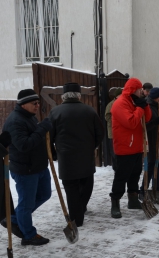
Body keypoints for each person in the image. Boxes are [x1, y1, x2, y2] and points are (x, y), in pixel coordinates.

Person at [49, 83, 104, 227]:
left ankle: (76, 217)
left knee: (71, 187)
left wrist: (54, 153)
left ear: (63, 96)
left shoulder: (55, 112)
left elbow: (48, 136)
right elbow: (100, 133)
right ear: (79, 96)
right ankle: (80, 208)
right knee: (86, 184)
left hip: (66, 158)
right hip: (86, 156)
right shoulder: (89, 111)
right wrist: (92, 146)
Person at [2, 89, 52, 245]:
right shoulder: (15, 121)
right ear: (23, 105)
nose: (37, 106)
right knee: (27, 203)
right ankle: (29, 235)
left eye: (38, 103)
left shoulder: (28, 117)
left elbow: (35, 138)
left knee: (44, 194)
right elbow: (24, 145)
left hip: (39, 167)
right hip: (25, 170)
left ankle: (14, 219)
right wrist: (42, 128)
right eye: (34, 103)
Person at [109, 78, 152, 218]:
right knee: (121, 177)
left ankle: (132, 199)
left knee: (135, 174)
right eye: (140, 90)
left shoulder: (135, 102)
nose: (142, 92)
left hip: (137, 146)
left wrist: (145, 106)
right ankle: (115, 202)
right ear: (134, 90)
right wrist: (140, 108)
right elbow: (131, 122)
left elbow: (147, 119)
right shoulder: (120, 104)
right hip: (125, 147)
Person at [105, 88, 122, 171]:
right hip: (112, 132)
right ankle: (116, 167)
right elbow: (107, 116)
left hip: (121, 132)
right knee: (114, 151)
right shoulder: (111, 104)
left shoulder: (123, 103)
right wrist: (116, 119)